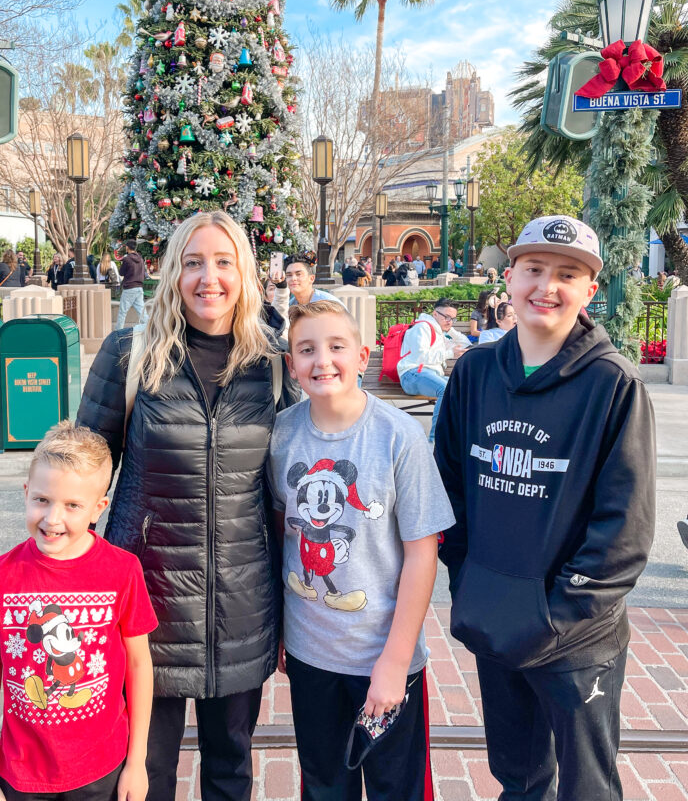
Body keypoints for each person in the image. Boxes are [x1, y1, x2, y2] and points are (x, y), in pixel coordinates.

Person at [77, 211, 299, 801]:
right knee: (144, 773)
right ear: (174, 271)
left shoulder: (273, 364)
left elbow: (297, 479)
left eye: (224, 262)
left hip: (243, 604)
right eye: (194, 262)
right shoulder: (132, 354)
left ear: (244, 274)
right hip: (148, 605)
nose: (209, 277)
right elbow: (84, 476)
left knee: (231, 768)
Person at [434, 215, 656, 801]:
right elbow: (449, 486)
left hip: (575, 637)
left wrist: (558, 615)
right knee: (520, 780)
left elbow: (625, 527)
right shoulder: (476, 372)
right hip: (496, 619)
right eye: (533, 269)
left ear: (589, 289)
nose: (546, 286)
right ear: (509, 277)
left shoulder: (613, 384)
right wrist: (468, 582)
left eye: (567, 274)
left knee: (587, 789)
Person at [269, 300, 454, 800]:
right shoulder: (282, 434)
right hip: (311, 655)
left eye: (336, 347)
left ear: (362, 355)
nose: (321, 361)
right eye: (306, 350)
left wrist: (395, 661)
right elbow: (282, 536)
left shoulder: (398, 436)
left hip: (384, 659)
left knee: (399, 787)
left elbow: (422, 553)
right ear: (291, 363)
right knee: (327, 784)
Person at [0, 421, 157, 801]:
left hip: (101, 768)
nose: (53, 519)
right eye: (42, 500)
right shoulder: (0, 577)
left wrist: (137, 762)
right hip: (21, 773)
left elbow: (139, 665)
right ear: (25, 494)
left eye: (72, 505)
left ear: (98, 509)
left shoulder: (122, 571)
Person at [397, 299, 469, 443]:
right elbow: (421, 357)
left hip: (428, 375)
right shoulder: (422, 327)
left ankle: (455, 435)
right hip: (412, 374)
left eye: (453, 319)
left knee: (462, 386)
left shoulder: (439, 331)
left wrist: (451, 330)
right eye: (446, 317)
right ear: (435, 313)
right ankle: (435, 441)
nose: (449, 321)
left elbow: (466, 343)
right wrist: (450, 354)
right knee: (444, 389)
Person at [115, 240, 148, 330]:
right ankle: (150, 328)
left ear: (127, 247)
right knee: (141, 312)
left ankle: (118, 332)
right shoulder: (141, 259)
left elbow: (121, 273)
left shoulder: (127, 259)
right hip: (139, 288)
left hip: (129, 288)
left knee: (123, 312)